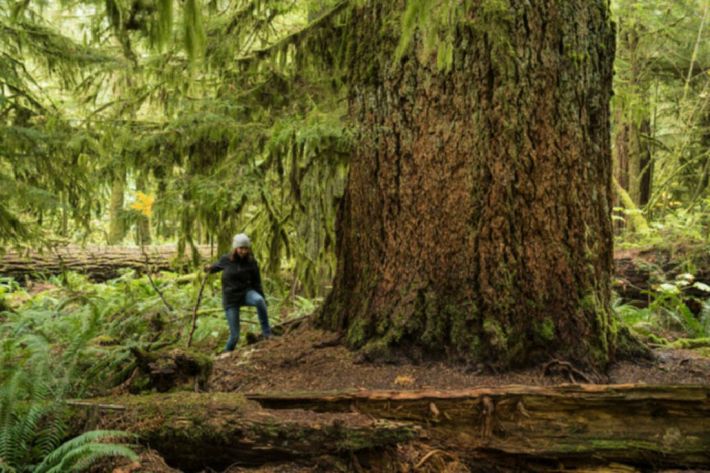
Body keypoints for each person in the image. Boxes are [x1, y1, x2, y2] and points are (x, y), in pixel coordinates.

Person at [206, 233, 271, 352]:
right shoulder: (226, 259)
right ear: (235, 248)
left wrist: (262, 297)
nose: (243, 251)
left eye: (246, 248)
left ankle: (267, 333)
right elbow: (215, 267)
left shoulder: (251, 262)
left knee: (259, 300)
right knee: (235, 336)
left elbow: (257, 282)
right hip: (231, 299)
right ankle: (225, 356)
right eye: (241, 248)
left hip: (246, 293)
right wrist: (207, 269)